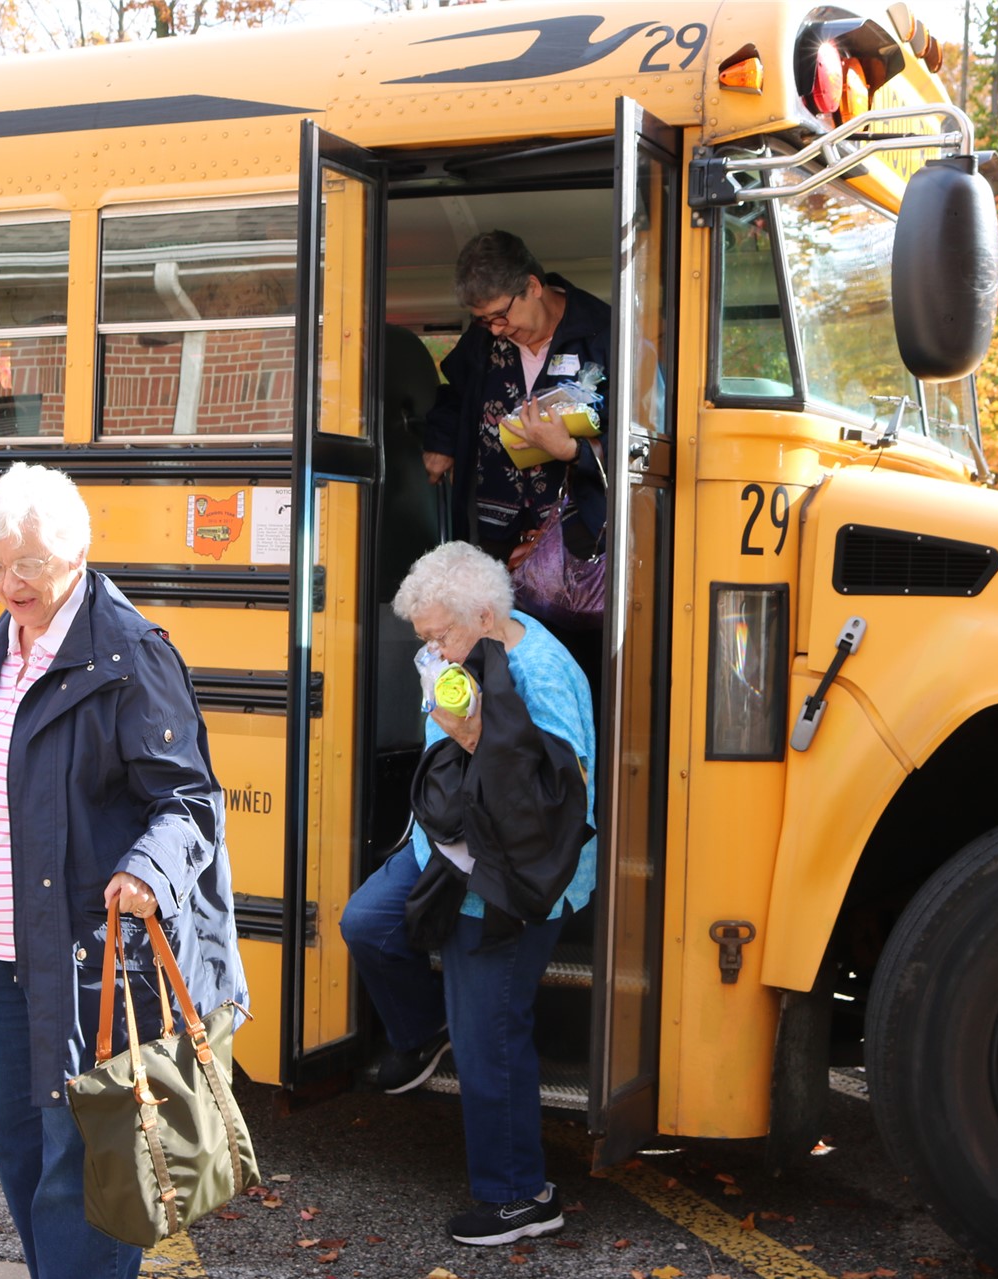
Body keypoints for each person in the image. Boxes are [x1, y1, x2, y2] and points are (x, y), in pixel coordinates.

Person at [0, 462, 246, 1279]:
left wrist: (146, 866)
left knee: (87, 1173)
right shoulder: (13, 637)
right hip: (7, 958)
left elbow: (191, 801)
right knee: (24, 1157)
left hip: (89, 958)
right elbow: (13, 776)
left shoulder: (131, 654)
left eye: (24, 563)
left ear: (73, 551)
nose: (7, 583)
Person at [339, 541, 597, 1247]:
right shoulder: (470, 648)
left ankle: (520, 1196)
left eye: (440, 636)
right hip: (444, 853)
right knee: (366, 923)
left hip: (510, 882)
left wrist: (479, 733)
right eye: (425, 639)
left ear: (485, 613)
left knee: (493, 1041)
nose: (434, 652)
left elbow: (546, 812)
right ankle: (426, 1031)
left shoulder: (539, 674)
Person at [421, 231, 610, 568]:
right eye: (484, 319)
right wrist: (441, 441)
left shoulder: (605, 334)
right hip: (493, 533)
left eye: (500, 315)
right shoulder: (482, 339)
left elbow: (644, 437)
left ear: (533, 287)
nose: (495, 329)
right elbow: (456, 394)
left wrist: (570, 451)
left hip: (580, 534)